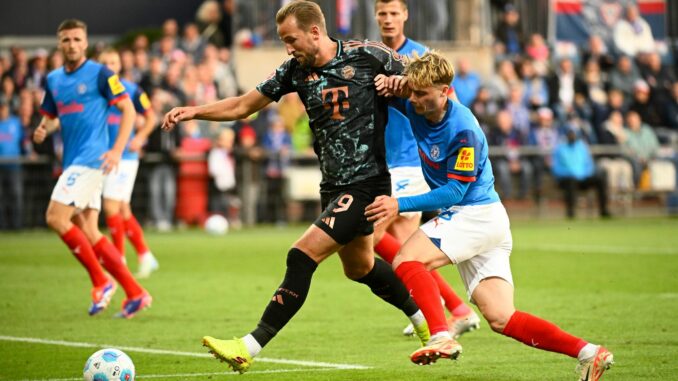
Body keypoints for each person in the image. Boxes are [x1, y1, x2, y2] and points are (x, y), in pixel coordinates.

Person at [162, 1, 429, 373]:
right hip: (333, 186)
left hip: (367, 183)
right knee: (361, 267)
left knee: (300, 255)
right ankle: (426, 323)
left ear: (315, 32)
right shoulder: (294, 71)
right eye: (284, 41)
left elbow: (432, 81)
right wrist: (194, 111)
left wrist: (403, 84)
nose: (289, 48)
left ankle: (248, 346)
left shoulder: (369, 55)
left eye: (292, 40)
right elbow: (242, 106)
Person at [367, 51, 613, 380]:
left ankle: (441, 334)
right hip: (486, 219)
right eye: (413, 91)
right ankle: (590, 353)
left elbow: (455, 192)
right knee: (502, 318)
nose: (415, 99)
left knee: (407, 260)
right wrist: (389, 84)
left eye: (422, 93)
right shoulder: (416, 102)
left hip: (474, 213)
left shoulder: (462, 130)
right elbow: (394, 95)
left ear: (445, 91)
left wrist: (399, 203)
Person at [373, 0, 479, 339]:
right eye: (382, 14)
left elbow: (453, 105)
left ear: (405, 15)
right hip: (381, 159)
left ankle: (428, 312)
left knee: (371, 234)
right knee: (405, 248)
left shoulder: (420, 58)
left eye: (394, 13)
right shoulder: (372, 54)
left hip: (409, 160)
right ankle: (456, 310)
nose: (388, 20)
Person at [33, 19, 151, 318]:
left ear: (85, 43)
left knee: (55, 217)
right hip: (73, 161)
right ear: (59, 44)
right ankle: (135, 292)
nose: (71, 44)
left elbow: (128, 109)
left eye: (76, 39)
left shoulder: (101, 74)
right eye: (66, 39)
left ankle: (101, 281)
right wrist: (42, 128)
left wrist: (116, 149)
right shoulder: (54, 80)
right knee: (88, 228)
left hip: (92, 159)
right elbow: (50, 115)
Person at [98, 49, 160, 279]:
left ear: (119, 64)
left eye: (113, 61)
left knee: (111, 207)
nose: (109, 66)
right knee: (123, 209)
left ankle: (119, 260)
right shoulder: (97, 91)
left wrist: (140, 137)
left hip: (125, 157)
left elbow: (152, 117)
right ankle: (145, 255)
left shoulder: (132, 89)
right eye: (105, 62)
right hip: (104, 155)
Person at [552, 127, 611, 219]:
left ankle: (604, 210)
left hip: (583, 177)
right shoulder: (560, 148)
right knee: (571, 182)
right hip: (567, 179)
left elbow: (589, 164)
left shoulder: (582, 147)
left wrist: (583, 174)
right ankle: (571, 213)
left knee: (600, 179)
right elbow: (556, 168)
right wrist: (571, 173)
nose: (572, 136)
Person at [0, 96, 25, 230]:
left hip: (14, 165)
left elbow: (24, 141)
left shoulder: (15, 123)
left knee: (16, 195)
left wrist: (28, 152)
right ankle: (2, 226)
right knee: (1, 197)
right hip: (0, 166)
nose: (2, 110)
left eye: (3, 107)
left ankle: (17, 225)